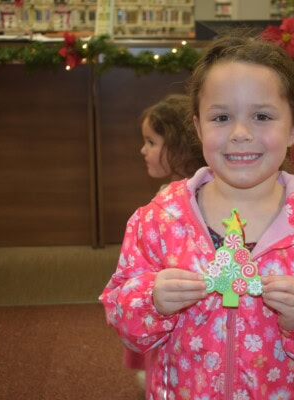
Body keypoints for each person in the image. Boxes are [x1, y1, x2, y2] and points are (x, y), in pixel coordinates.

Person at [101, 32, 294, 399]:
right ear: (198, 126)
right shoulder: (156, 222)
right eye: (221, 117)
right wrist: (150, 300)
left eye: (262, 116)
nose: (240, 133)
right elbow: (123, 320)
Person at [123, 92, 207, 390]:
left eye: (151, 142)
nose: (143, 150)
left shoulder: (183, 200)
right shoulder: (166, 198)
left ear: (178, 146)